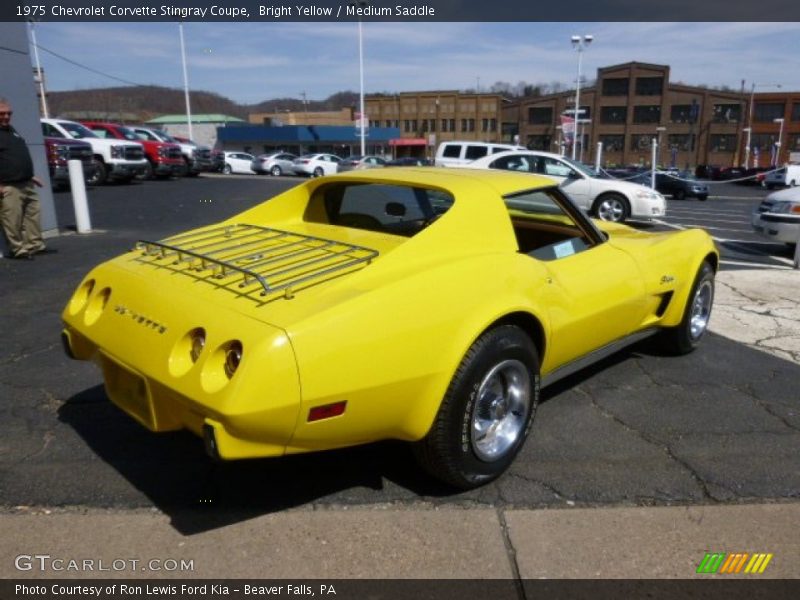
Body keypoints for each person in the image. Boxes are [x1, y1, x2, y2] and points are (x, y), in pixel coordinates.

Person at [0, 96, 46, 259]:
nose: (6, 116)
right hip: (9, 186)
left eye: (9, 113)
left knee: (33, 214)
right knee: (12, 219)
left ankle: (35, 244)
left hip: (26, 182)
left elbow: (15, 156)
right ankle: (18, 250)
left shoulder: (11, 130)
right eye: (2, 114)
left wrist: (31, 176)